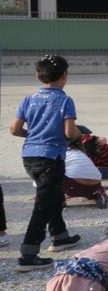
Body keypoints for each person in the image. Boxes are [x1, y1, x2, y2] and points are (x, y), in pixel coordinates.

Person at [9, 54, 82, 272]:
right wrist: (80, 135)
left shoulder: (28, 99)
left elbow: (14, 129)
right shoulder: (65, 101)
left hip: (29, 157)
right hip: (52, 158)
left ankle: (60, 236)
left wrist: (33, 136)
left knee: (54, 195)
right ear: (65, 76)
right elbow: (69, 132)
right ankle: (28, 255)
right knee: (43, 204)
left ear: (38, 76)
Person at [63, 138, 108, 208]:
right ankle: (98, 193)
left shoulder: (61, 152)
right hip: (95, 184)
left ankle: (60, 200)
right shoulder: (81, 153)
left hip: (75, 186)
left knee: (54, 173)